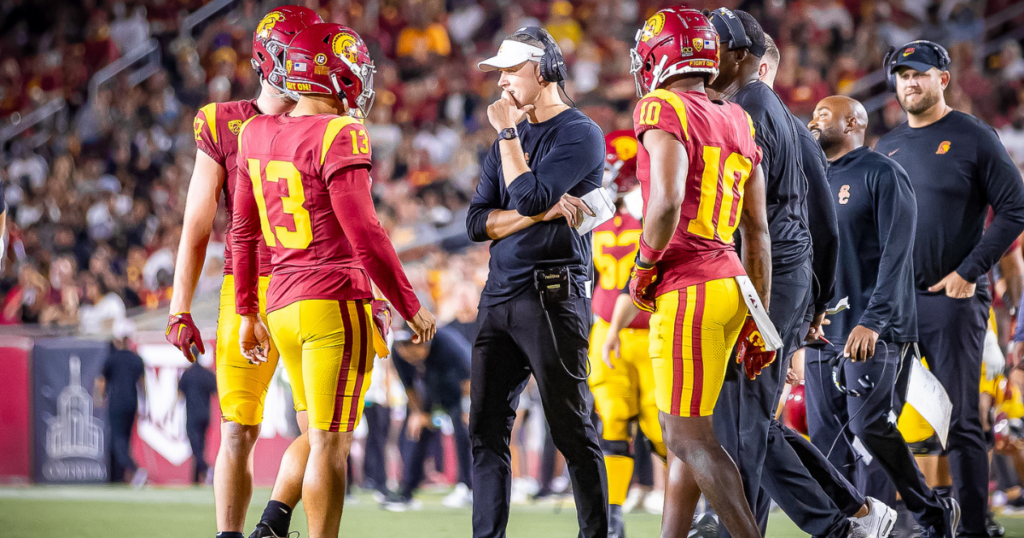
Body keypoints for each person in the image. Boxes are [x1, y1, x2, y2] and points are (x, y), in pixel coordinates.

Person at [232, 22, 436, 538]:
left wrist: (246, 311)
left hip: (280, 303)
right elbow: (365, 233)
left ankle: (272, 524)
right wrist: (410, 305)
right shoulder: (339, 132)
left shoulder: (254, 132)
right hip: (331, 300)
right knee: (331, 443)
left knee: (314, 432)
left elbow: (243, 231)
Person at [700, 9, 883, 538]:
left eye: (712, 49)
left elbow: (746, 218)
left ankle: (828, 526)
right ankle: (851, 513)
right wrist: (816, 300)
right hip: (787, 276)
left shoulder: (744, 110)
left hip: (763, 272)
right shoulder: (781, 115)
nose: (702, 59)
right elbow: (824, 222)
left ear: (739, 57)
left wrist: (803, 301)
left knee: (741, 416)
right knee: (748, 416)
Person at [164, 6, 323, 538]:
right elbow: (197, 224)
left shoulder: (329, 120)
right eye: (296, 51)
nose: (308, 63)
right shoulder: (222, 121)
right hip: (249, 283)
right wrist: (178, 305)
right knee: (239, 426)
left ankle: (272, 523)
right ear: (268, 58)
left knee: (324, 430)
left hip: (313, 282)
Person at [625, 8, 771, 538]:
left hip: (689, 285)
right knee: (688, 430)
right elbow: (757, 232)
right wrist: (761, 316)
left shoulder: (661, 105)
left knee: (688, 437)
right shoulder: (738, 116)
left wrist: (643, 266)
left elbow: (663, 205)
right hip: (733, 284)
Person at [875, 40, 1024, 538]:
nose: (909, 83)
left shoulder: (972, 136)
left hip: (952, 300)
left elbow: (1016, 208)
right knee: (881, 419)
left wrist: (971, 270)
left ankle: (975, 526)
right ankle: (901, 520)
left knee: (960, 422)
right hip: (895, 304)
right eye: (901, 75)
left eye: (919, 73)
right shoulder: (888, 146)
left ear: (943, 78)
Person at [466, 25, 608, 538]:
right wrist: (544, 210)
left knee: (572, 430)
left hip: (552, 293)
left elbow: (524, 197)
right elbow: (476, 222)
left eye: (510, 70)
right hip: (499, 294)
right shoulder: (512, 140)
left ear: (544, 69)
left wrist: (508, 139)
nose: (501, 83)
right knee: (485, 431)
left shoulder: (579, 132)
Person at [805, 94, 957, 538]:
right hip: (821, 331)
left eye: (824, 115)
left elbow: (898, 254)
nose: (814, 121)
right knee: (826, 437)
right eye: (813, 114)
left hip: (876, 328)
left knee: (869, 428)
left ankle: (930, 511)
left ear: (853, 122)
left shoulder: (883, 172)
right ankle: (851, 525)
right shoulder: (811, 180)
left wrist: (873, 321)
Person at [591, 130, 665, 538]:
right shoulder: (597, 215)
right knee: (613, 422)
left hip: (649, 327)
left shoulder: (651, 207)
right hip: (606, 331)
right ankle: (612, 516)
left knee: (662, 428)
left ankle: (683, 512)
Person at [385, 327, 473, 511]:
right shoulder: (399, 352)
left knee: (464, 433)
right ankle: (407, 491)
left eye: (414, 348)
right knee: (415, 431)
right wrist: (419, 414)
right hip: (431, 392)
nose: (409, 354)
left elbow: (469, 379)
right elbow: (409, 387)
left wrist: (468, 409)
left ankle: (469, 487)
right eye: (404, 349)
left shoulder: (448, 343)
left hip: (460, 392)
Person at [94, 319, 147, 487]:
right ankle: (125, 476)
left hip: (116, 402)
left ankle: (134, 469)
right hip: (132, 402)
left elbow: (101, 381)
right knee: (126, 438)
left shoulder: (112, 359)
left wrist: (99, 398)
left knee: (118, 440)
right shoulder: (137, 359)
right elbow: (143, 385)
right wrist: (144, 404)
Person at [179, 358, 218, 485]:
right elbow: (216, 392)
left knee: (195, 446)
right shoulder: (207, 373)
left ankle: (206, 470)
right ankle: (196, 478)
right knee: (201, 446)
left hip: (193, 415)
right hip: (205, 414)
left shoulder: (187, 374)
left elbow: (180, 394)